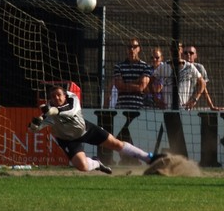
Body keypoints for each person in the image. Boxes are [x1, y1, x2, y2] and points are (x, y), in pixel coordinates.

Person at [28, 85, 164, 173]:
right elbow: (34, 129)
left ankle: (149, 158)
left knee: (116, 144)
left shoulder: (72, 99)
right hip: (67, 140)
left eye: (59, 95)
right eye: (53, 97)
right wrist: (35, 124)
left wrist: (53, 111)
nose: (56, 98)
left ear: (65, 95)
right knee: (82, 166)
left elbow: (69, 111)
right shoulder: (48, 111)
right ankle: (97, 163)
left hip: (85, 130)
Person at [151, 45, 205, 109]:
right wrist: (156, 100)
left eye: (178, 49)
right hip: (167, 109)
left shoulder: (189, 67)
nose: (175, 51)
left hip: (184, 109)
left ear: (181, 50)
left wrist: (194, 100)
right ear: (170, 51)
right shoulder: (163, 67)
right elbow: (150, 82)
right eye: (173, 49)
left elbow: (202, 83)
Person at [112, 38, 151, 109]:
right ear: (126, 49)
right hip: (122, 107)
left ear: (139, 49)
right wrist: (137, 82)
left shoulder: (145, 67)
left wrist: (125, 85)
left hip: (138, 108)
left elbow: (141, 87)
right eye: (130, 47)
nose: (132, 49)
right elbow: (119, 86)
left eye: (135, 47)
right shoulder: (118, 66)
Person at [183, 45, 221, 110]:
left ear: (195, 55)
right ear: (182, 55)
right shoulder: (177, 67)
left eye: (191, 53)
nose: (188, 55)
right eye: (185, 53)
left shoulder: (199, 68)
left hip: (190, 104)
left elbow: (203, 87)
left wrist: (211, 106)